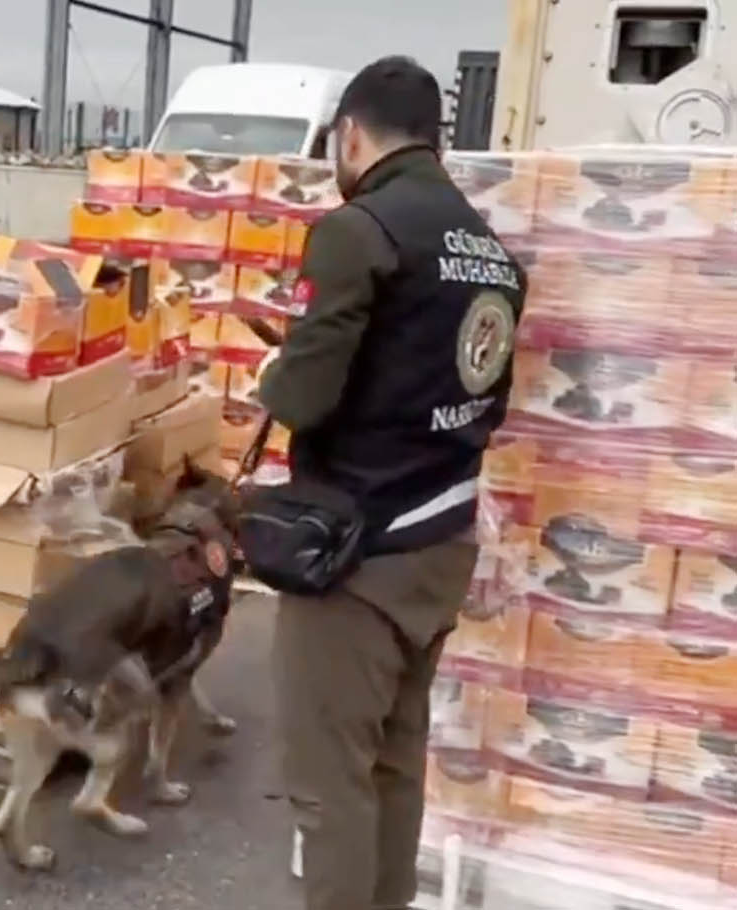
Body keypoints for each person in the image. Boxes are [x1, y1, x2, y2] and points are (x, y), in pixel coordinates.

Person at [255, 56, 526, 910]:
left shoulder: (357, 229)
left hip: (354, 550)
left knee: (327, 786)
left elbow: (303, 397)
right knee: (396, 763)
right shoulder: (490, 253)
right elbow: (474, 390)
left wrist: (279, 360)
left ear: (350, 135)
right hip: (439, 541)